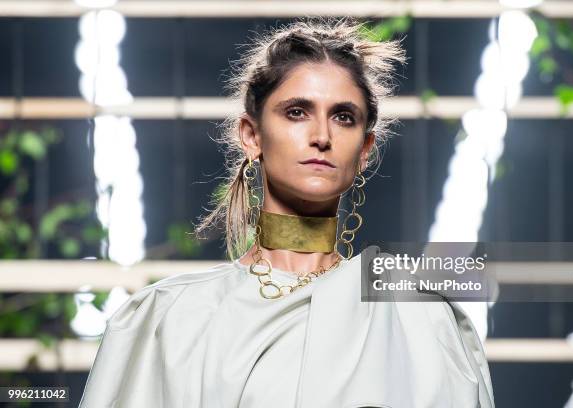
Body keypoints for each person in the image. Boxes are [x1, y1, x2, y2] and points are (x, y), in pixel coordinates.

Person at [79, 17, 495, 408]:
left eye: (344, 117)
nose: (321, 137)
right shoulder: (167, 319)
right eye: (297, 112)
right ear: (252, 135)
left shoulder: (420, 320)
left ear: (365, 151)